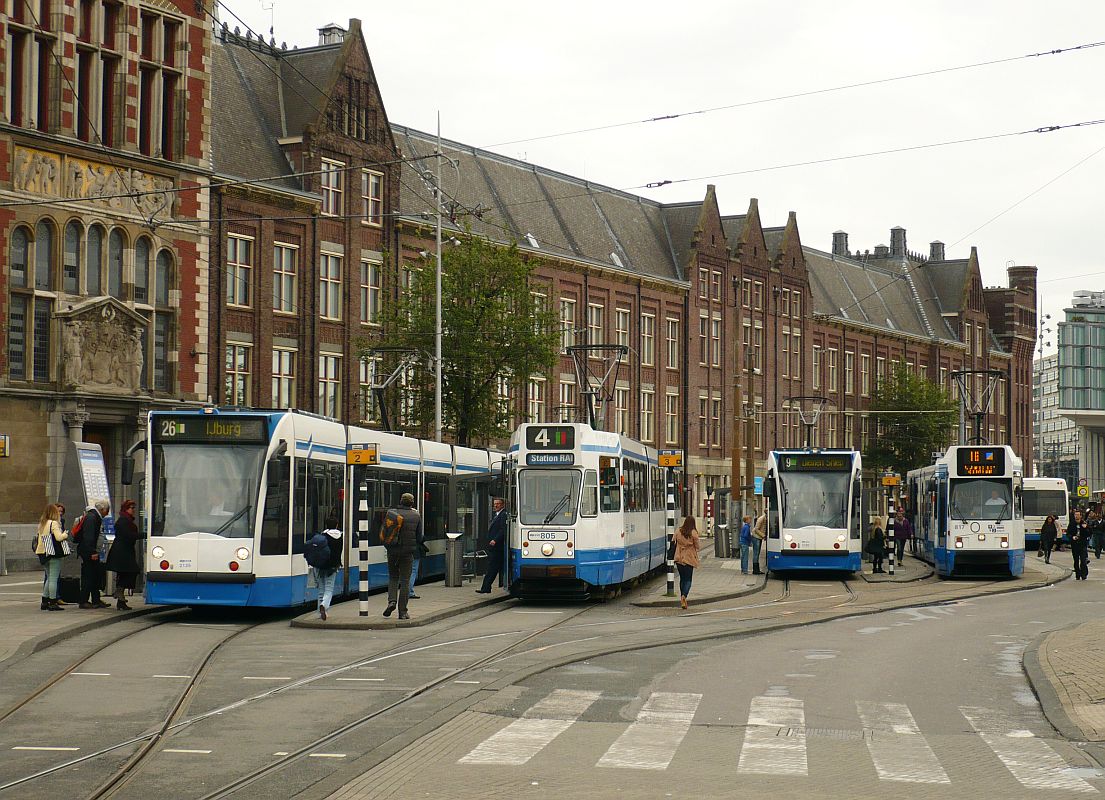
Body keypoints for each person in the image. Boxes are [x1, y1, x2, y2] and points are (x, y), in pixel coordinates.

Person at [383, 493, 422, 620]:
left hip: (393, 552)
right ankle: (403, 612)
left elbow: (385, 531)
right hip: (407, 553)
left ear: (400, 501)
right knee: (405, 581)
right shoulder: (416, 515)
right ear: (412, 503)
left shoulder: (391, 513)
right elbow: (419, 537)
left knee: (393, 577)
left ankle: (392, 601)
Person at [105, 499, 142, 610]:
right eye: (131, 508)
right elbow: (129, 535)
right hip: (122, 552)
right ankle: (119, 591)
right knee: (131, 571)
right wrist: (144, 535)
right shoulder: (123, 521)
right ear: (126, 509)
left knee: (125, 573)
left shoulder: (127, 520)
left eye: (134, 508)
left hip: (125, 551)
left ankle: (120, 600)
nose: (133, 510)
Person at [77, 500, 112, 609]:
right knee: (88, 576)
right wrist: (92, 552)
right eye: (107, 510)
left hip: (92, 551)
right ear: (102, 509)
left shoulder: (94, 517)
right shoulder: (92, 518)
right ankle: (84, 600)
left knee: (95, 575)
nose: (107, 513)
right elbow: (89, 536)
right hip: (89, 552)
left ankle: (96, 599)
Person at [35, 503, 68, 611]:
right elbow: (59, 538)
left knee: (49, 577)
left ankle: (44, 601)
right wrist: (65, 534)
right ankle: (53, 602)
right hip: (53, 553)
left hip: (42, 553)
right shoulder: (53, 523)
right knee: (53, 578)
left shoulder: (42, 523)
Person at [312, 516, 343, 621]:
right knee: (329, 589)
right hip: (333, 566)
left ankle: (319, 612)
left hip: (321, 565)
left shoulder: (322, 536)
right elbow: (339, 552)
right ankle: (324, 606)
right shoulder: (340, 536)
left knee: (321, 589)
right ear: (337, 525)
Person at [477, 498, 508, 594]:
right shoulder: (497, 515)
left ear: (502, 505)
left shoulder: (503, 515)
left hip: (497, 547)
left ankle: (485, 587)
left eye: (498, 504)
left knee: (492, 568)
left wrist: (495, 540)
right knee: (493, 568)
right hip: (495, 547)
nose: (496, 506)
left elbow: (503, 529)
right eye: (494, 504)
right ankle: (487, 587)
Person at [673, 516, 700, 609]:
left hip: (679, 557)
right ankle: (684, 596)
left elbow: (673, 540)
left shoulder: (678, 531)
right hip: (689, 558)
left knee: (682, 578)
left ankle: (682, 597)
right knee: (688, 579)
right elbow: (698, 546)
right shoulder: (693, 532)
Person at [1070, 510, 1090, 581]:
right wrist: (1072, 537)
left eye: (1078, 515)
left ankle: (1084, 574)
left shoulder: (1084, 523)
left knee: (1083, 560)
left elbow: (1089, 533)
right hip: (1075, 545)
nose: (1077, 516)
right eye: (1075, 515)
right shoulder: (1072, 524)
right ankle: (1077, 574)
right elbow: (1068, 533)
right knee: (1076, 561)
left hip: (1082, 544)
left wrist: (1085, 528)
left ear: (1081, 516)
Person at [751, 511, 766, 575]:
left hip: (759, 537)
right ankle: (755, 570)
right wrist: (763, 535)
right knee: (756, 553)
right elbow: (756, 529)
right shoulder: (761, 518)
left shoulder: (765, 518)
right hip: (756, 537)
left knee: (757, 553)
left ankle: (757, 570)